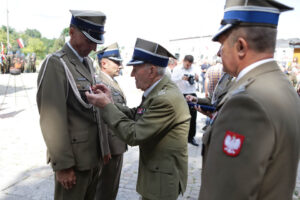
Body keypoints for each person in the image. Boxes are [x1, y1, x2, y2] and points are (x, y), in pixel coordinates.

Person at [199, 1, 300, 200]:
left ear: (241, 46)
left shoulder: (246, 103)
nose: (219, 53)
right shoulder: (282, 85)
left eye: (222, 45)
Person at [86, 38, 190, 200]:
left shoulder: (165, 99)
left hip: (161, 180)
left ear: (152, 70)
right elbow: (137, 114)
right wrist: (111, 102)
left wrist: (106, 106)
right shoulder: (158, 91)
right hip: (156, 174)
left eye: (135, 68)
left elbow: (134, 135)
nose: (132, 74)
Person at [36, 10, 109, 200]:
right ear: (71, 31)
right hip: (74, 163)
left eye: (96, 41)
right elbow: (52, 119)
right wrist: (63, 165)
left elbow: (95, 112)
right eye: (89, 40)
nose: (93, 47)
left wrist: (104, 148)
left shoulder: (87, 63)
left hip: (92, 157)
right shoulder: (56, 64)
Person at [95, 43, 127, 200]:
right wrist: (105, 149)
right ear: (104, 63)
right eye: (117, 62)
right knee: (105, 190)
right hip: (109, 147)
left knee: (111, 188)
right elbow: (100, 117)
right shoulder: (100, 82)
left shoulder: (110, 81)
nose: (120, 66)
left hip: (116, 143)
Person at [171, 55, 200, 146]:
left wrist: (197, 78)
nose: (188, 66)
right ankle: (179, 137)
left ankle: (191, 137)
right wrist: (181, 78)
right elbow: (172, 81)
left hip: (192, 93)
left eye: (190, 65)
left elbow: (199, 80)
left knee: (193, 117)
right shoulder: (177, 69)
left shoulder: (194, 68)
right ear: (183, 61)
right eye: (187, 64)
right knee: (179, 116)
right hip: (181, 94)